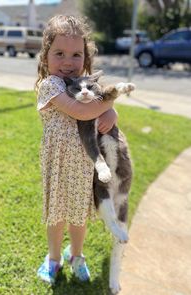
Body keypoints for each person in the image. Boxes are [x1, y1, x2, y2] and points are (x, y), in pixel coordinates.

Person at [36, 15, 118, 284]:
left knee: (79, 214)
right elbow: (80, 112)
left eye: (76, 54)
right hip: (57, 162)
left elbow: (95, 103)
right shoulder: (50, 85)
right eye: (59, 53)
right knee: (57, 213)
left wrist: (112, 112)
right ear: (46, 56)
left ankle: (78, 255)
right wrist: (110, 104)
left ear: (86, 57)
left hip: (84, 161)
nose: (68, 62)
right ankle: (54, 258)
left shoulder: (84, 85)